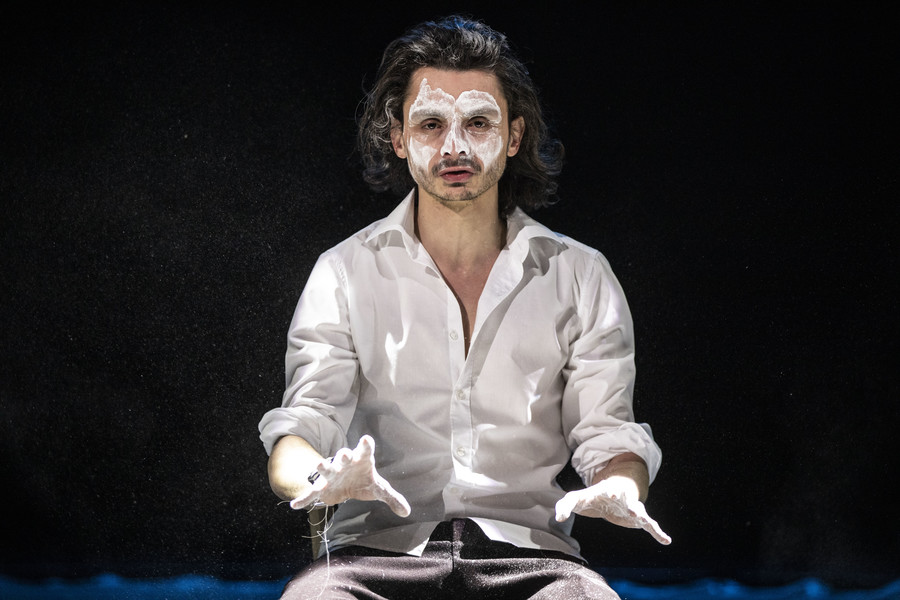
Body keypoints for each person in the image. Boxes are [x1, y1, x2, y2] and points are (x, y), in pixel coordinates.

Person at [259, 15, 670, 599]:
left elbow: (608, 434)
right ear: (399, 138)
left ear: (514, 136)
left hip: (534, 559)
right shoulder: (344, 271)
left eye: (478, 122)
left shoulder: (579, 275)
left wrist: (623, 485)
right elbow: (302, 427)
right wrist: (320, 477)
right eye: (431, 124)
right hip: (373, 556)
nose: (454, 146)